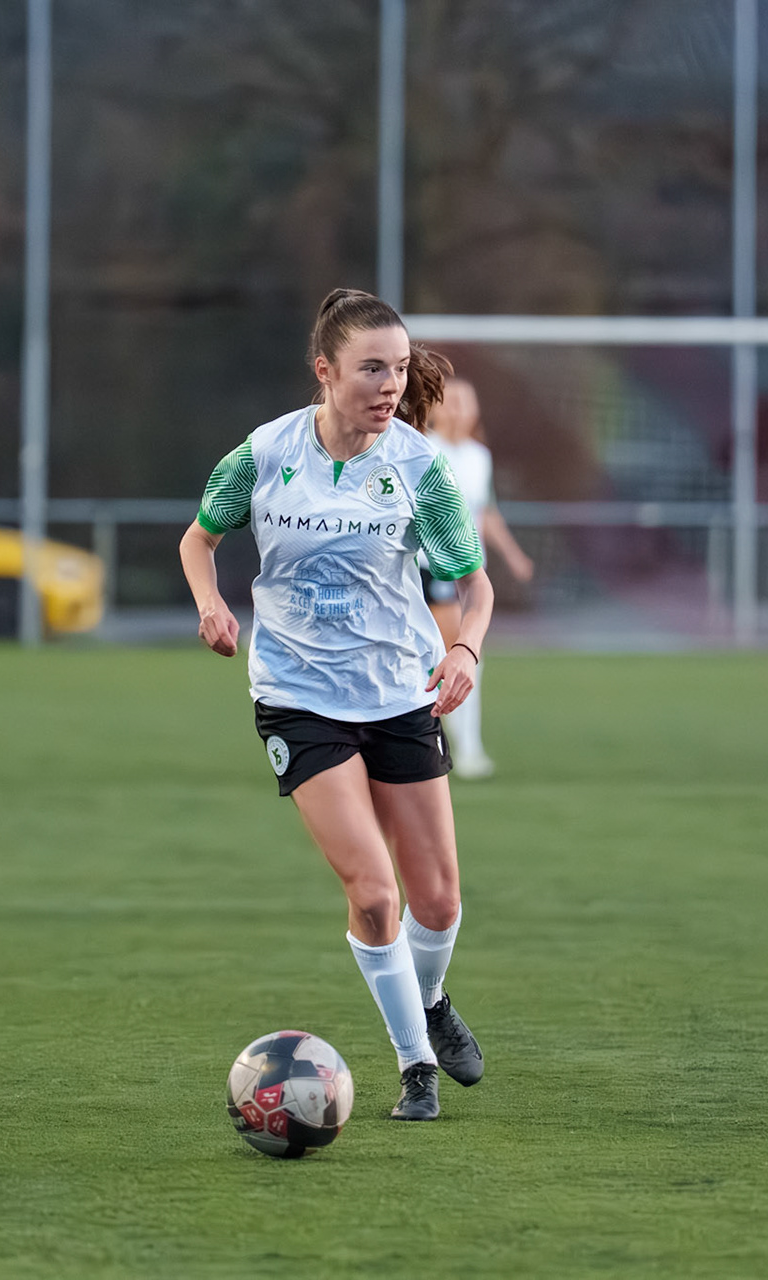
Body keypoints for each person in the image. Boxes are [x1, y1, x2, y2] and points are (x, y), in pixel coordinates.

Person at [178, 287, 495, 1122]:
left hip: (399, 692)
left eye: (397, 368)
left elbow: (472, 581)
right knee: (375, 892)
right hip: (297, 696)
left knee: (438, 900)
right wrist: (211, 604)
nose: (390, 384)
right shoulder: (262, 454)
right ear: (324, 372)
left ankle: (427, 1002)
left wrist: (463, 647)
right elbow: (199, 538)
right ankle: (416, 1064)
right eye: (371, 369)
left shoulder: (419, 466)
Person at [421, 377, 534, 778]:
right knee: (454, 654)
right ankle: (453, 746)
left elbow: (485, 513)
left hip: (469, 574)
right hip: (429, 569)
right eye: (450, 402)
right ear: (434, 408)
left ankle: (462, 745)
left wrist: (514, 555)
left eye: (466, 402)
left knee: (465, 656)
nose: (459, 410)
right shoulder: (423, 450)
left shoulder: (477, 456)